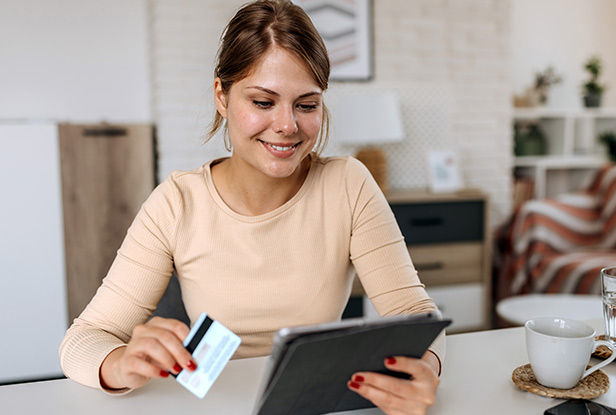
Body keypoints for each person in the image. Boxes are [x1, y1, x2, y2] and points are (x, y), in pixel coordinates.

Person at [59, 1, 445, 413]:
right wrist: (119, 364)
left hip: (311, 401)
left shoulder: (348, 184)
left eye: (307, 104)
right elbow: (84, 339)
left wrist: (426, 367)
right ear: (221, 97)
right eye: (263, 102)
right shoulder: (177, 202)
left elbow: (415, 314)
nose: (287, 125)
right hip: (211, 402)